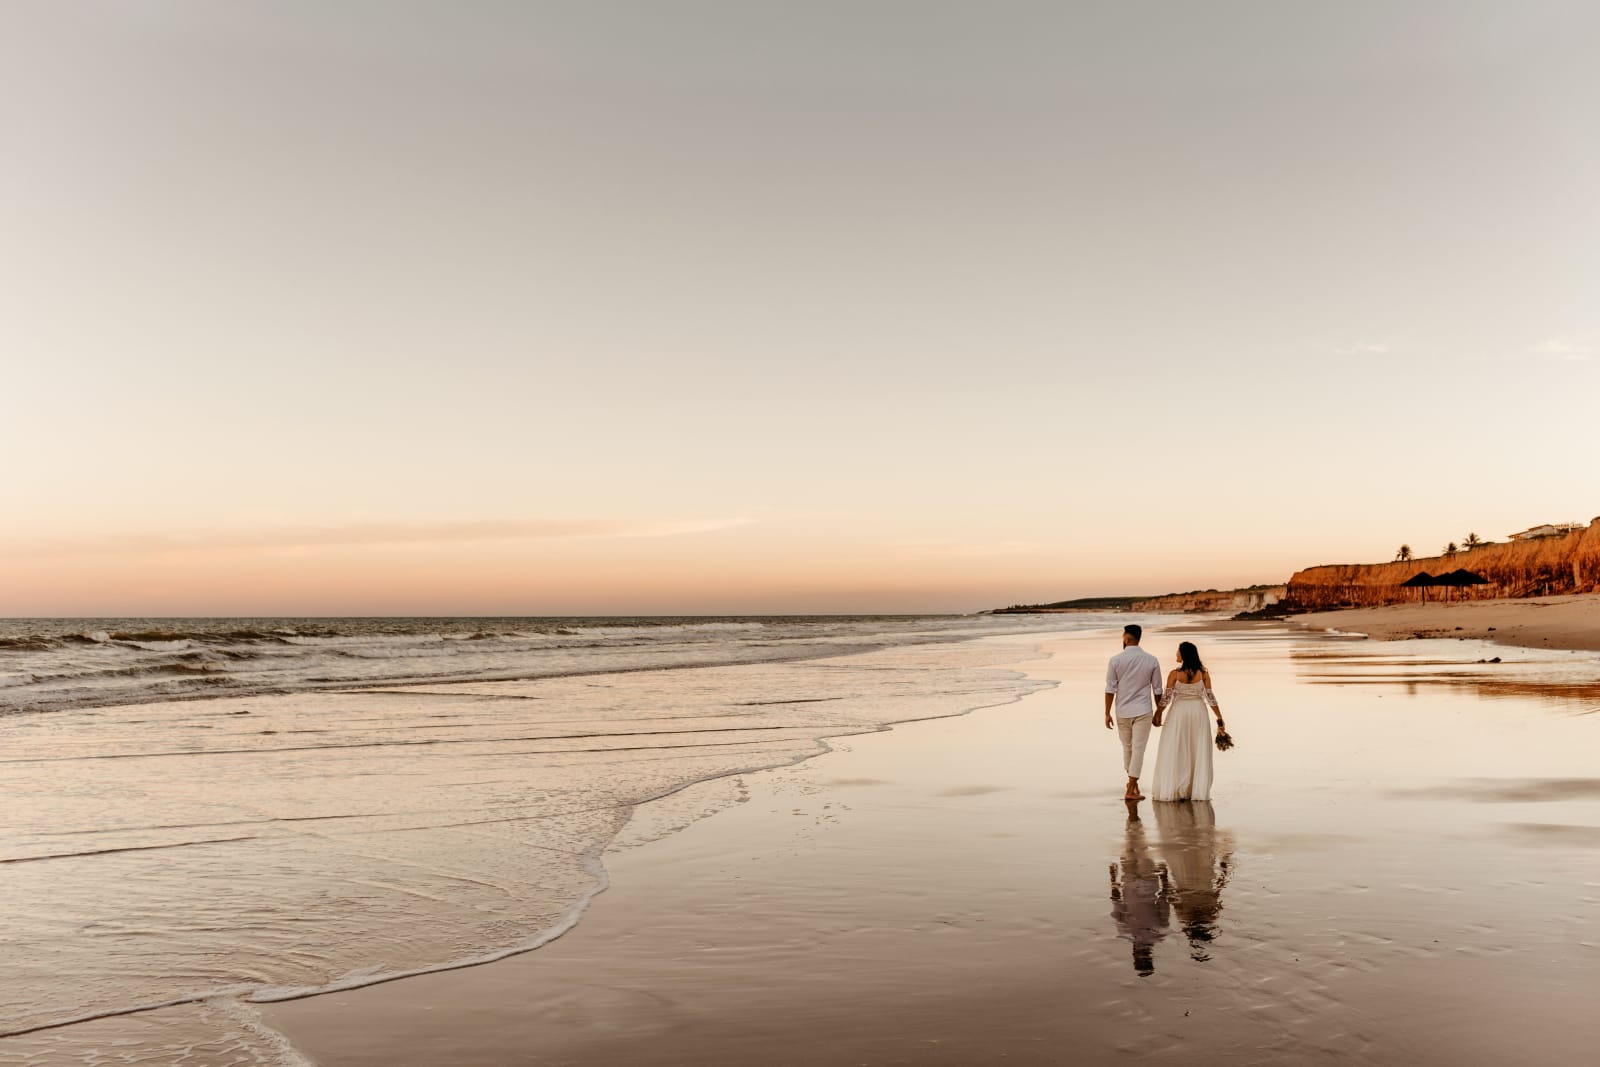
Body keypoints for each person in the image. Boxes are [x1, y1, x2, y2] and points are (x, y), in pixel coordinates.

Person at [1149, 641, 1226, 802]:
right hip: (1198, 713)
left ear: (1184, 655)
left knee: (1176, 747)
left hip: (1179, 713)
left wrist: (1158, 712)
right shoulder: (1203, 674)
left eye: (1178, 651)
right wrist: (1219, 718)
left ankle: (1177, 787)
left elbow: (1167, 697)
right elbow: (1210, 698)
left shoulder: (1174, 674)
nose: (1176, 654)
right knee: (1196, 748)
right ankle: (1194, 789)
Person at [1104, 623, 1165, 800]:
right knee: (1138, 750)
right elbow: (1158, 689)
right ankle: (1132, 786)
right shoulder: (1151, 660)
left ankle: (1131, 786)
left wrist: (1107, 713)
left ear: (1127, 638)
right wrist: (1158, 712)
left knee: (1128, 748)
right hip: (1143, 710)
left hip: (1122, 710)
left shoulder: (1115, 660)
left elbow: (1110, 689)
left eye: (1123, 636)